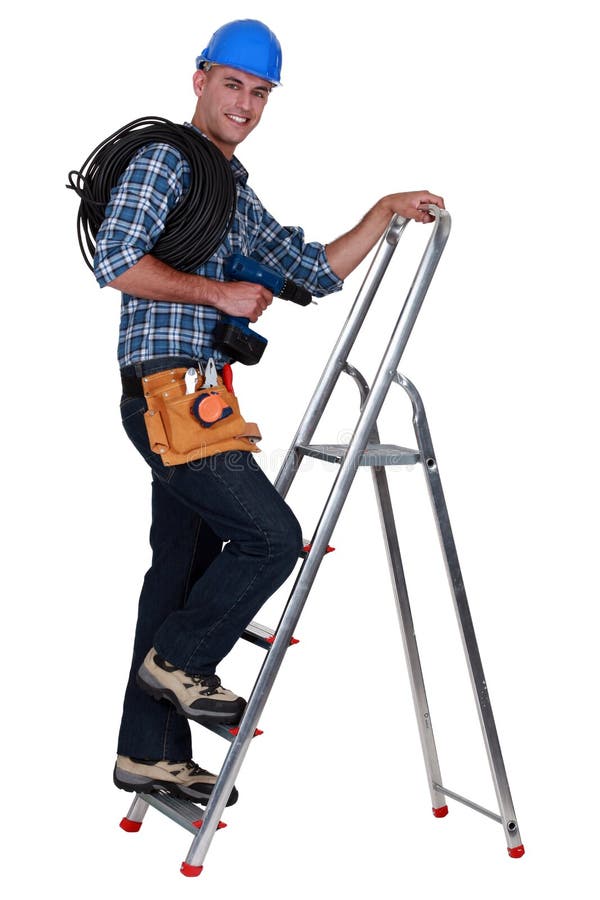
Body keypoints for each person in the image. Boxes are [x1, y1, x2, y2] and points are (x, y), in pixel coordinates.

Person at [94, 18, 444, 806]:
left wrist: (383, 209)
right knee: (273, 537)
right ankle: (181, 660)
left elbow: (311, 272)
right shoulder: (165, 161)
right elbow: (116, 259)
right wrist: (219, 293)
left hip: (201, 398)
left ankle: (147, 754)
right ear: (200, 80)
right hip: (164, 393)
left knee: (179, 571)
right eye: (232, 85)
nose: (245, 103)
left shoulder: (231, 192)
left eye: (259, 92)